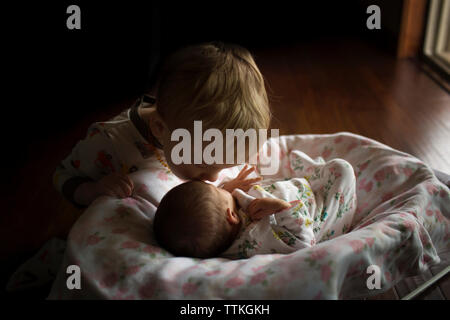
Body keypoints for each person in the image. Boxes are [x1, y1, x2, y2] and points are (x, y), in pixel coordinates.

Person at [52, 41, 271, 207]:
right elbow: (63, 176)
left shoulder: (194, 141)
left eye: (223, 167)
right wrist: (93, 190)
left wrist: (223, 188)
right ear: (159, 128)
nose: (213, 177)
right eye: (205, 166)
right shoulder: (108, 142)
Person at [154, 157, 357, 259]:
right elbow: (305, 245)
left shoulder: (226, 227)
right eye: (220, 192)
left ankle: (312, 174)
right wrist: (282, 208)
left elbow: (214, 204)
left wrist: (228, 187)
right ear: (231, 215)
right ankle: (317, 175)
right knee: (342, 169)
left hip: (301, 190)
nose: (222, 188)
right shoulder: (256, 240)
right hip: (321, 213)